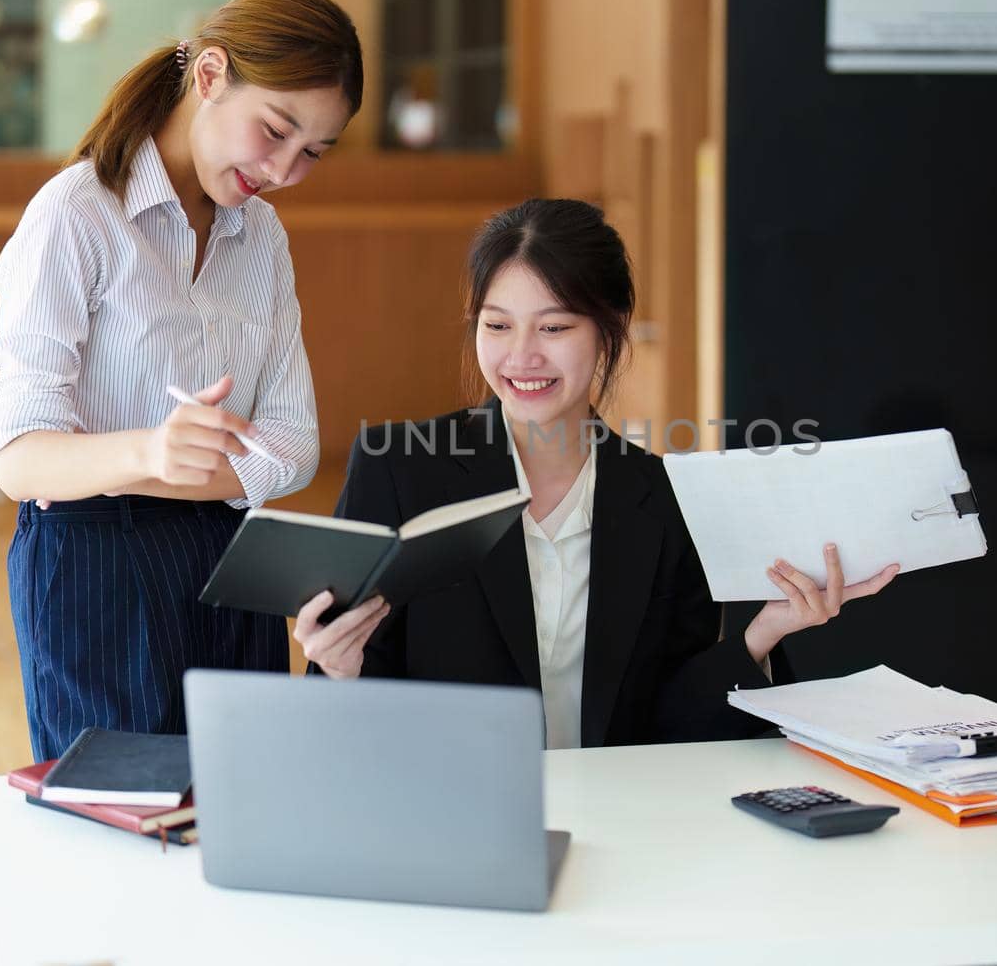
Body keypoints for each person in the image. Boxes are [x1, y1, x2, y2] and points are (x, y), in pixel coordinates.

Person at [292, 198, 898, 747]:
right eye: (497, 325)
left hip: (619, 828)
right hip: (449, 816)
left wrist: (763, 634)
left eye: (554, 328)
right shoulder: (399, 471)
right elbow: (345, 709)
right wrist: (340, 670)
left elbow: (671, 722)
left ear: (609, 330)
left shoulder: (664, 497)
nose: (522, 357)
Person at [0, 0, 363, 761]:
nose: (285, 170)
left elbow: (294, 449)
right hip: (94, 564)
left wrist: (146, 472)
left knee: (245, 808)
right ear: (212, 75)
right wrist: (151, 453)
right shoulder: (78, 214)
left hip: (234, 560)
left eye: (312, 153)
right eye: (276, 131)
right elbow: (17, 456)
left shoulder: (262, 239)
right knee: (123, 828)